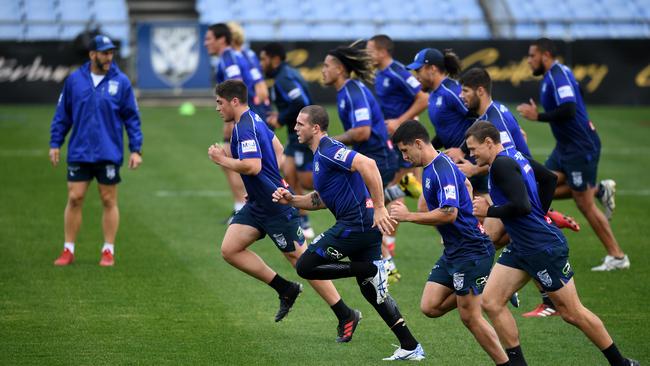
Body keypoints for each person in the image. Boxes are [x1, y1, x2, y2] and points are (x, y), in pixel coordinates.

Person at [466, 121, 638, 366]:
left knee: (571, 312)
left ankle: (621, 363)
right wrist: (542, 213)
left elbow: (522, 206)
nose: (472, 155)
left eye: (474, 149)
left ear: (489, 143)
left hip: (541, 247)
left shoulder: (501, 165)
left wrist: (489, 210)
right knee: (491, 302)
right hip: (522, 246)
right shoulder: (513, 154)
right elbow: (547, 178)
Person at [272, 105, 425, 360]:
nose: (295, 128)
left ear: (316, 128)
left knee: (306, 265)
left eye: (300, 124)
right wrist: (291, 199)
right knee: (372, 292)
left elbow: (368, 164)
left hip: (357, 225)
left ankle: (370, 269)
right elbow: (320, 199)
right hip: (361, 226)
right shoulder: (320, 154)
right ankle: (410, 346)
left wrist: (379, 207)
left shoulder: (330, 149)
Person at [208, 80, 358, 339]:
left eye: (219, 103)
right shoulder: (253, 118)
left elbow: (252, 166)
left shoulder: (245, 125)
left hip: (276, 207)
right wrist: (262, 185)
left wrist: (224, 160)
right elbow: (276, 148)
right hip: (258, 204)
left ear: (234, 101)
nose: (217, 108)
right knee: (230, 249)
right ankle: (285, 288)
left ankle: (346, 313)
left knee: (302, 262)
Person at [459, 67, 580, 318]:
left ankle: (512, 288)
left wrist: (472, 169)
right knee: (505, 238)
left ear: (480, 91)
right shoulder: (493, 114)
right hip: (522, 189)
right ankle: (520, 288)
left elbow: (504, 161)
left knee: (491, 236)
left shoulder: (494, 119)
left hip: (516, 190)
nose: (461, 96)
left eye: (465, 91)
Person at [389, 120, 509, 365]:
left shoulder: (441, 168)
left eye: (405, 150)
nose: (404, 157)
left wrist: (408, 216)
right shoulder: (433, 167)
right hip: (454, 251)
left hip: (472, 250)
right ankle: (484, 285)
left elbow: (449, 213)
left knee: (470, 317)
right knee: (430, 307)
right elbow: (463, 183)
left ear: (419, 144)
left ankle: (507, 363)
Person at [516, 38, 629, 271]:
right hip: (565, 146)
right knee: (539, 187)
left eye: (532, 56)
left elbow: (569, 109)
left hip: (580, 146)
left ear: (545, 55)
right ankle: (598, 189)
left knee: (584, 203)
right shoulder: (550, 76)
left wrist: (538, 116)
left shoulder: (558, 75)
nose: (528, 61)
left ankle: (617, 256)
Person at [50, 35, 142, 267]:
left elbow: (132, 117)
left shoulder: (121, 82)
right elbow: (63, 115)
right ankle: (68, 249)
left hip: (108, 152)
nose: (109, 57)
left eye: (111, 52)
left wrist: (135, 149)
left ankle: (108, 249)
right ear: (92, 55)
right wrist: (55, 143)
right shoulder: (74, 81)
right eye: (104, 53)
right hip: (80, 151)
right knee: (74, 197)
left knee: (108, 200)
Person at [322, 42, 403, 283]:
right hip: (373, 157)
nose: (323, 70)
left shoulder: (352, 91)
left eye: (326, 66)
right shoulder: (346, 92)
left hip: (378, 159)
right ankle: (396, 191)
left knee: (361, 211)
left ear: (339, 69)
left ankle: (387, 266)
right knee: (363, 209)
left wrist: (329, 141)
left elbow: (362, 132)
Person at [367, 34, 428, 258]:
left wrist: (401, 120)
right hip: (392, 138)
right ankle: (388, 243)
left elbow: (423, 99)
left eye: (370, 50)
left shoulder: (397, 71)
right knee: (397, 188)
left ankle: (388, 246)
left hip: (404, 137)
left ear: (383, 51)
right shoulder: (380, 74)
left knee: (396, 188)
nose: (367, 55)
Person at [406, 48, 488, 197]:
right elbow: (445, 130)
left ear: (432, 69)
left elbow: (480, 119)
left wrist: (462, 149)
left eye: (418, 70)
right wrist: (425, 149)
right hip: (458, 163)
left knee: (435, 206)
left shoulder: (451, 91)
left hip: (470, 162)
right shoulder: (433, 94)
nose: (416, 76)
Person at [259, 42, 315, 239]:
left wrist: (280, 118)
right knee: (288, 172)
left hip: (302, 133)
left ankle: (347, 188)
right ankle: (303, 219)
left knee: (307, 181)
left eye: (264, 59)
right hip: (295, 134)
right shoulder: (282, 75)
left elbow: (300, 102)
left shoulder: (284, 78)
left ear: (274, 60)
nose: (261, 63)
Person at [203, 23, 248, 222]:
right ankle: (241, 207)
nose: (206, 43)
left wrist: (232, 119)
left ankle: (243, 208)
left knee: (230, 159)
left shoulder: (228, 57)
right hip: (241, 116)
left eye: (209, 39)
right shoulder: (229, 57)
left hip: (240, 118)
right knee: (230, 160)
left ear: (222, 40)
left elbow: (236, 86)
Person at [227, 21, 271, 124]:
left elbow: (237, 85)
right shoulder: (250, 54)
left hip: (248, 103)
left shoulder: (231, 58)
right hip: (261, 102)